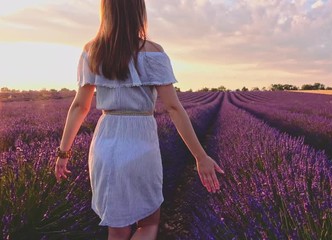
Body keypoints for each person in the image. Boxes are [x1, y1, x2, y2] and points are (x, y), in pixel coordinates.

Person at [54, 0, 225, 239]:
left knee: (117, 227)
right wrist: (200, 156)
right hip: (141, 141)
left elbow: (79, 107)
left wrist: (63, 153)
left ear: (106, 11)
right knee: (148, 224)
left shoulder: (92, 51)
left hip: (106, 142)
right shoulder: (153, 52)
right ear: (138, 11)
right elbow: (174, 108)